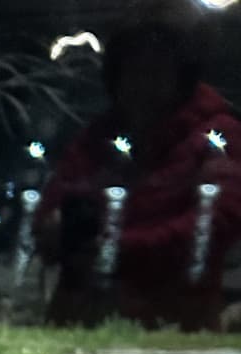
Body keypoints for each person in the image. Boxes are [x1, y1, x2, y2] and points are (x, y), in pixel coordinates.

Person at [36, 6, 241, 330]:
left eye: (157, 68)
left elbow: (213, 226)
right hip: (82, 320)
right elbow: (53, 205)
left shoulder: (215, 138)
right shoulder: (99, 138)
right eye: (132, 68)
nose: (142, 82)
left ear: (181, 73)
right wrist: (54, 230)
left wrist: (118, 250)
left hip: (175, 329)